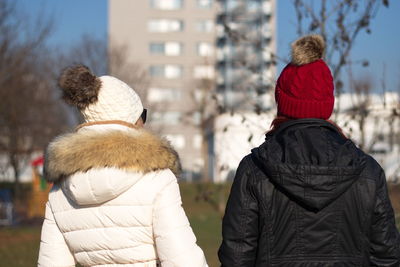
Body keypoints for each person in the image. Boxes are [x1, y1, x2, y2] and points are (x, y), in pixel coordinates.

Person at [218, 35, 400, 266]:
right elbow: (387, 256)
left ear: (282, 101)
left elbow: (236, 256)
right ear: (328, 103)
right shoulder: (368, 171)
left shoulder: (254, 169)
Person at [38, 65, 208, 267]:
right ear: (132, 120)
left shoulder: (60, 190)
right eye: (142, 115)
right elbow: (183, 261)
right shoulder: (158, 179)